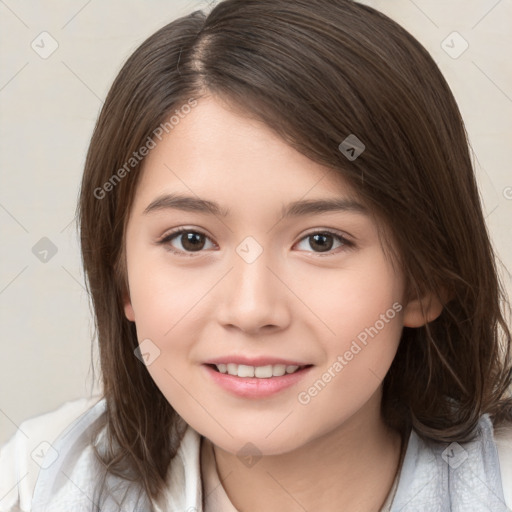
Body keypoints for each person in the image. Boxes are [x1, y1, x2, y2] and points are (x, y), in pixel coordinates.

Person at [1, 0, 512, 510]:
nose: (251, 310)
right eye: (191, 240)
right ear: (122, 278)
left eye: (321, 241)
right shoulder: (36, 482)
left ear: (424, 280)